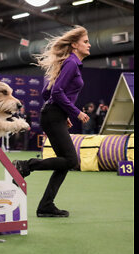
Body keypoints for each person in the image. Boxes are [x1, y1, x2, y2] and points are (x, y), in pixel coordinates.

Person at [12, 25, 91, 218]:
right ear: (74, 45)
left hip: (54, 115)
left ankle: (46, 205)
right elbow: (55, 92)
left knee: (64, 163)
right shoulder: (71, 63)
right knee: (71, 160)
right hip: (53, 115)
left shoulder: (70, 63)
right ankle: (26, 165)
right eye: (86, 42)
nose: (89, 45)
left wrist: (64, 114)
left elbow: (46, 92)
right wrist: (75, 113)